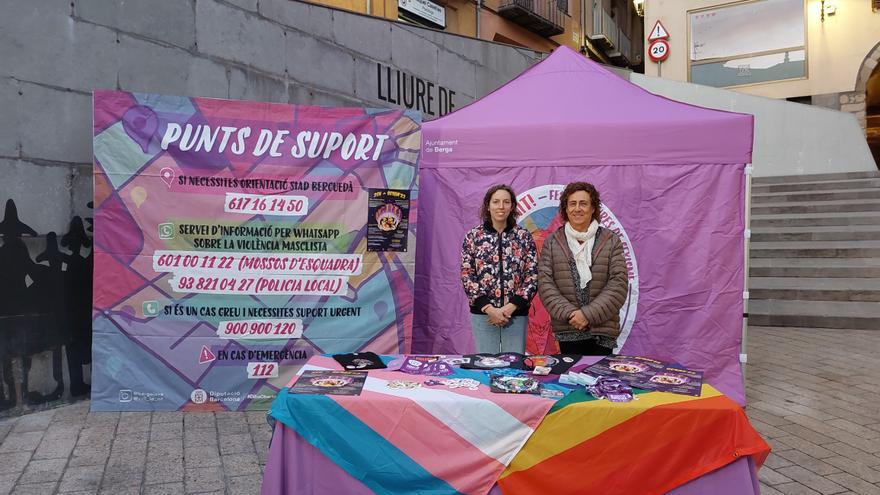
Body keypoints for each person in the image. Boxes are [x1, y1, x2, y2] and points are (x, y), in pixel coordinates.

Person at [537, 182, 628, 355]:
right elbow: (546, 285)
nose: (577, 209)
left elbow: (619, 284)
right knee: (568, 382)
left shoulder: (611, 240)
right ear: (565, 208)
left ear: (593, 208)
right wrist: (572, 315)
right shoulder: (552, 242)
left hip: (602, 331)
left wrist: (587, 315)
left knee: (600, 382)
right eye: (572, 204)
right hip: (567, 328)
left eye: (583, 203)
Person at [460, 184, 538, 353]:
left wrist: (510, 307)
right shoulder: (474, 236)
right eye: (496, 202)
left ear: (512, 206)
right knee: (485, 364)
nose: (501, 206)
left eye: (506, 202)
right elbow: (467, 275)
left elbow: (532, 275)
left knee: (514, 366)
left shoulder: (523, 236)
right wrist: (490, 309)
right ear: (488, 206)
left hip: (516, 313)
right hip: (483, 314)